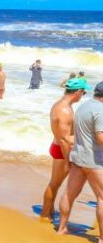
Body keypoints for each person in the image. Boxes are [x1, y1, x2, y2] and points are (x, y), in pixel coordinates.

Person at [56, 81, 103, 243]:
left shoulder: (83, 106)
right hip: (94, 161)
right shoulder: (101, 111)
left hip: (78, 158)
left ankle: (62, 228)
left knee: (69, 194)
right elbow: (100, 138)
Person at [40, 79, 89, 219]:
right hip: (62, 150)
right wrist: (69, 159)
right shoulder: (64, 110)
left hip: (59, 147)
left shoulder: (62, 105)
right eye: (83, 92)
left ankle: (49, 211)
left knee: (55, 184)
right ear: (78, 92)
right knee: (54, 184)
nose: (83, 95)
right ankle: (44, 215)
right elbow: (64, 139)